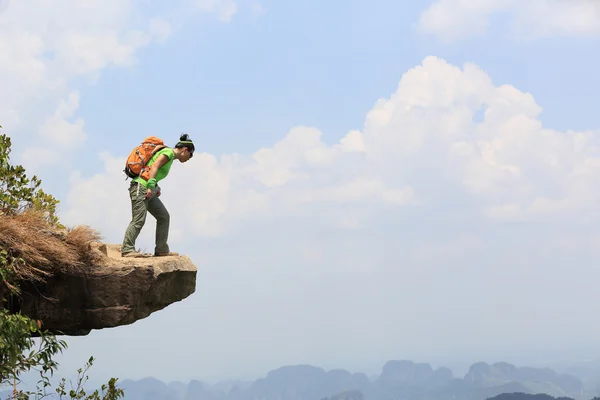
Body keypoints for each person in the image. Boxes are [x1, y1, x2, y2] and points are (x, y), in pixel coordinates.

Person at [121, 133, 195, 258]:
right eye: (191, 154)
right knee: (138, 219)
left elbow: (151, 169)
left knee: (163, 216)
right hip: (141, 187)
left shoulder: (169, 156)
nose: (190, 158)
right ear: (185, 150)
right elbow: (154, 166)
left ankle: (161, 250)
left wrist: (155, 187)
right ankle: (127, 249)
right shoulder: (168, 153)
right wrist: (151, 186)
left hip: (147, 188)